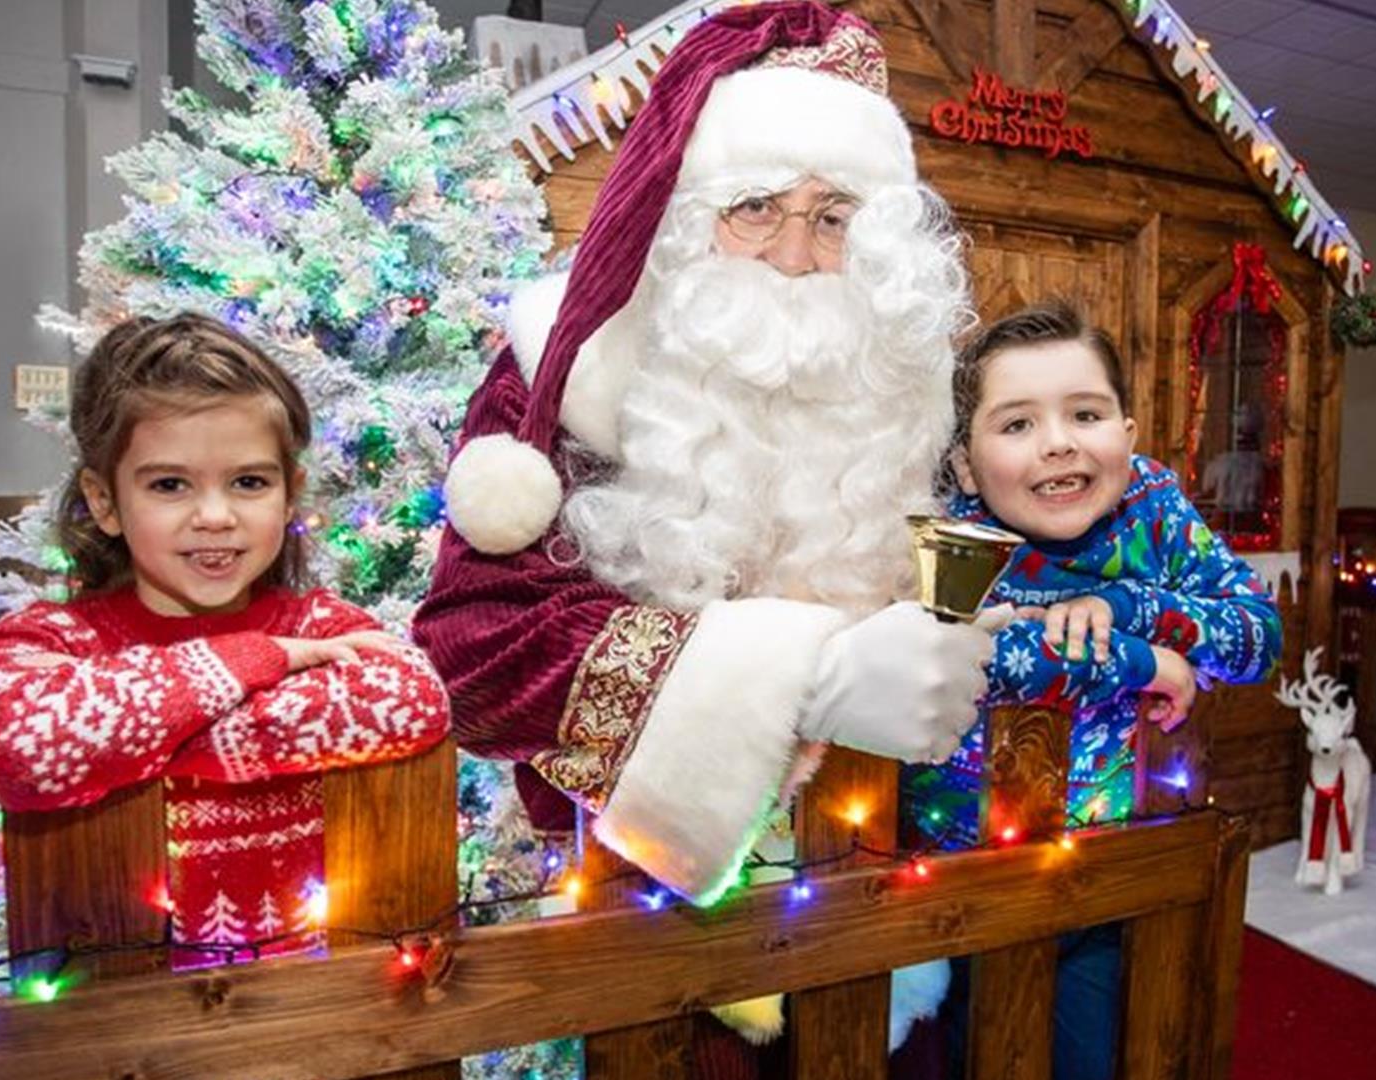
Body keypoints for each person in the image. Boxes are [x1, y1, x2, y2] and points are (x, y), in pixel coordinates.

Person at [413, 1, 992, 1062]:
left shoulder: (894, 386)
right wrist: (797, 677)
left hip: (857, 899)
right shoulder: (568, 370)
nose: (791, 253)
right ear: (687, 216)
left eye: (834, 217)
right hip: (618, 917)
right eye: (757, 206)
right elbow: (471, 646)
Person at [0, 314, 449, 966]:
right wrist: (257, 658)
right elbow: (8, 745)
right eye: (169, 484)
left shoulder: (317, 625)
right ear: (104, 501)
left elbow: (416, 699)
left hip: (317, 1014)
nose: (215, 516)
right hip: (125, 1030)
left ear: (288, 494)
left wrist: (134, 737)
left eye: (249, 482)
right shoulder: (56, 638)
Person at [904, 303, 1282, 1078]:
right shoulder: (955, 532)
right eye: (1016, 425)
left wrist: (1130, 611)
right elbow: (967, 658)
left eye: (1086, 413)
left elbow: (1258, 639)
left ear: (1129, 434)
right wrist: (1145, 665)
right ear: (969, 465)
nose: (1058, 442)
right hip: (952, 882)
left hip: (1108, 870)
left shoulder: (1153, 506)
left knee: (1098, 1054)